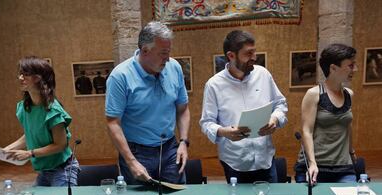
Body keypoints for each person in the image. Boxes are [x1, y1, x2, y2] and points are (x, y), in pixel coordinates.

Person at [105, 21, 190, 185]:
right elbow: (113, 122)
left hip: (170, 147)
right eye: (163, 53)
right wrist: (131, 161)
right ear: (145, 50)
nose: (168, 58)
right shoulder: (120, 76)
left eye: (169, 51)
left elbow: (183, 109)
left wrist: (184, 142)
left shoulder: (174, 67)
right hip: (137, 152)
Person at [199, 30, 288, 184]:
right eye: (248, 53)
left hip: (265, 159)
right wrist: (223, 132)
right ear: (231, 56)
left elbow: (280, 104)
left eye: (254, 52)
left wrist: (275, 119)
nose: (254, 57)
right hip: (235, 162)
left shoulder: (263, 75)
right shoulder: (214, 85)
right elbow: (206, 122)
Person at [3, 56, 79, 186]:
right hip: (44, 170)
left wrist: (29, 153)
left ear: (38, 78)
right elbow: (31, 134)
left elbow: (60, 145)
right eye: (20, 74)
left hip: (62, 169)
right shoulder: (25, 108)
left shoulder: (53, 110)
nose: (20, 78)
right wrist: (8, 149)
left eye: (25, 74)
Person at [294, 43, 358, 183]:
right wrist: (312, 163)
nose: (355, 69)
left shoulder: (349, 94)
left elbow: (347, 126)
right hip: (315, 166)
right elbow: (307, 131)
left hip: (343, 167)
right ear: (333, 68)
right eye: (351, 65)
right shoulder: (314, 94)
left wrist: (351, 152)